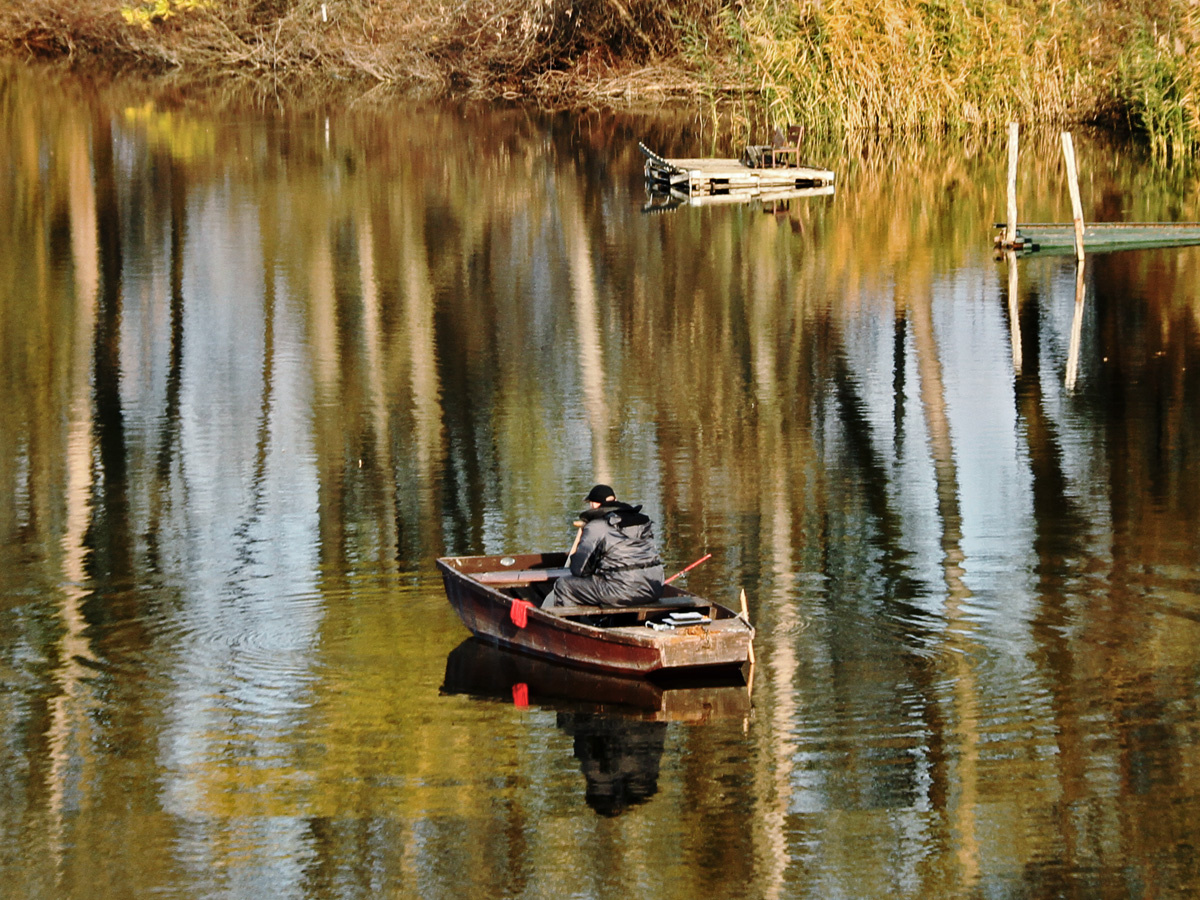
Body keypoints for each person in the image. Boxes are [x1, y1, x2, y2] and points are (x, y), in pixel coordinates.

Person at [542, 484, 664, 608]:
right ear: (615, 500)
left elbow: (579, 570)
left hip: (621, 591)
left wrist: (577, 557)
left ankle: (571, 624)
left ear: (594, 504)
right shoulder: (643, 522)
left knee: (563, 585)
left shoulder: (597, 526)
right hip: (654, 588)